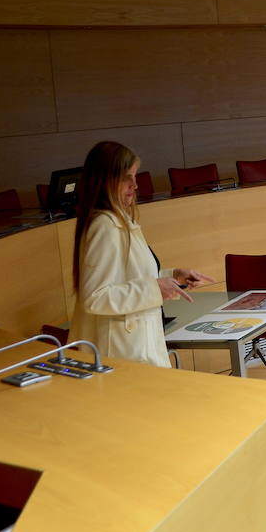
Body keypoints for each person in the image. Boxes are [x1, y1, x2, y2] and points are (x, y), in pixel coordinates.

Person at [69, 141, 213, 368]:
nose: (135, 186)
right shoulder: (105, 226)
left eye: (135, 177)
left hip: (134, 345)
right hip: (122, 351)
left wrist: (172, 277)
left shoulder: (119, 221)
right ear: (106, 180)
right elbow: (95, 297)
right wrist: (155, 288)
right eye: (127, 178)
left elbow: (129, 277)